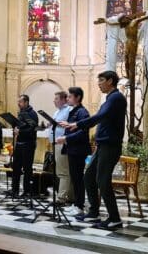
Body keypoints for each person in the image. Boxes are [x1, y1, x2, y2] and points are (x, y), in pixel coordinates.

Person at [61, 71, 126, 230]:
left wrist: (78, 124)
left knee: (102, 181)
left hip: (110, 146)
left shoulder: (116, 97)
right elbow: (101, 118)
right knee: (88, 177)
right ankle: (94, 212)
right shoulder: (109, 99)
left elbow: (100, 116)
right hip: (102, 145)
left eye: (102, 80)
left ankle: (115, 218)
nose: (99, 83)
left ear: (111, 81)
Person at [57, 87, 91, 216]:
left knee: (78, 178)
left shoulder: (82, 112)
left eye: (70, 97)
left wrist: (66, 138)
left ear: (77, 97)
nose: (68, 99)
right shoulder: (74, 111)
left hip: (78, 149)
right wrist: (67, 125)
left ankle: (80, 206)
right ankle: (76, 204)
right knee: (74, 178)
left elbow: (83, 133)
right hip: (72, 149)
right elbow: (74, 128)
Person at [11, 95, 39, 197]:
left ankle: (27, 191)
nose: (18, 104)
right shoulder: (21, 113)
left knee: (27, 168)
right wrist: (15, 128)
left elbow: (32, 130)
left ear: (26, 102)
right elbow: (18, 126)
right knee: (16, 167)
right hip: (19, 143)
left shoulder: (32, 114)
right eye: (18, 102)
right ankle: (15, 190)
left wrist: (20, 131)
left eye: (21, 102)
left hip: (28, 144)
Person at [49, 91, 73, 203]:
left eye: (57, 99)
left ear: (64, 100)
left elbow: (67, 125)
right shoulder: (57, 111)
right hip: (55, 143)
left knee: (63, 172)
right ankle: (70, 196)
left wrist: (56, 123)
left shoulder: (68, 110)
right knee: (62, 171)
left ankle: (61, 197)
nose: (54, 101)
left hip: (62, 143)